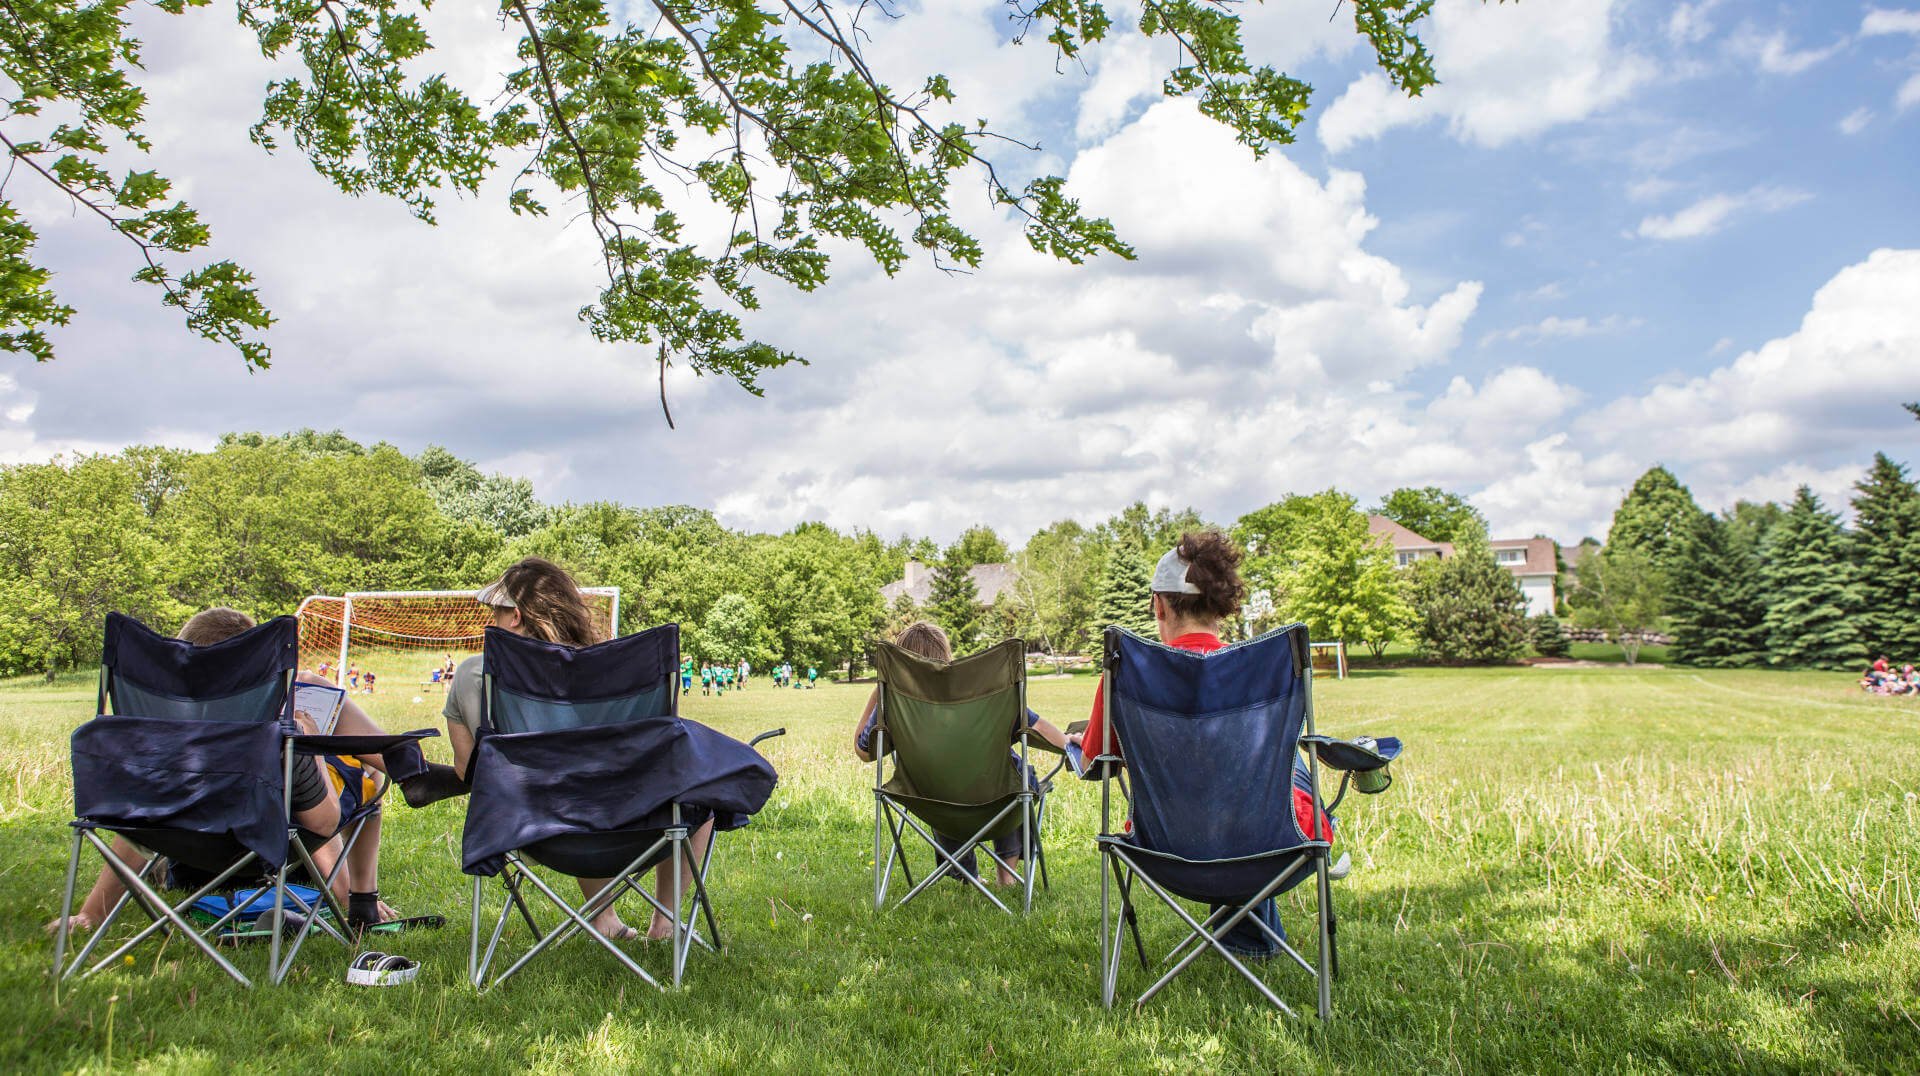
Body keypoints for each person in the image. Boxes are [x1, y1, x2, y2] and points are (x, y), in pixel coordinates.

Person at [46, 608, 415, 936]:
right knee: (365, 774)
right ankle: (404, 798)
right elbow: (320, 817)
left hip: (186, 854)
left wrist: (91, 913)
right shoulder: (279, 725)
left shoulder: (162, 736)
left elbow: (136, 824)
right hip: (280, 849)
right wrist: (350, 897)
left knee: (159, 794)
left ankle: (406, 777)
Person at [1064, 531, 1337, 958]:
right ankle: (1249, 936)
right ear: (1220, 605)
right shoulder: (1258, 673)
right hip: (1275, 847)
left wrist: (1086, 742)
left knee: (1227, 796)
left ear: (1159, 604)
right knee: (1287, 773)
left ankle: (1246, 937)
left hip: (1166, 851)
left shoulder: (1127, 674)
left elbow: (1095, 759)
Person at [443, 556, 712, 943]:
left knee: (568, 786)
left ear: (515, 616)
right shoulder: (613, 673)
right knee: (696, 792)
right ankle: (665, 924)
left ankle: (604, 918)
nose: (492, 621)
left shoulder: (472, 673)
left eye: (496, 612)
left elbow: (468, 771)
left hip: (531, 831)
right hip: (639, 830)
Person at [852, 621, 1068, 886]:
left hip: (931, 803)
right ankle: (1007, 874)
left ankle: (966, 874)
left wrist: (879, 692)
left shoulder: (894, 699)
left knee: (938, 783)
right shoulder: (979, 692)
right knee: (1017, 776)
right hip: (998, 801)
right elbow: (1036, 726)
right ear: (946, 656)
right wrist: (1070, 744)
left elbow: (864, 752)